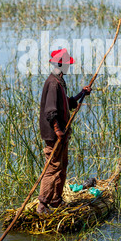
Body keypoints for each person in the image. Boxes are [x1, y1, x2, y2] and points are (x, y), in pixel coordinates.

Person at [37, 48, 91, 214]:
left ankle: (55, 199)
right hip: (55, 135)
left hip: (62, 133)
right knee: (52, 167)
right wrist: (57, 129)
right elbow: (50, 111)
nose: (69, 67)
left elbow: (66, 104)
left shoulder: (59, 82)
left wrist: (82, 94)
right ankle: (43, 204)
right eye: (67, 64)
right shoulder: (53, 83)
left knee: (62, 166)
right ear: (60, 64)